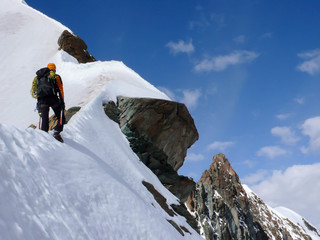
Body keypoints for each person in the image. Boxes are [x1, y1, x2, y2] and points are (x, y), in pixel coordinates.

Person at [31, 63, 66, 142]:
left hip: (42, 100)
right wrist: (62, 101)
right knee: (61, 117)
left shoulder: (38, 78)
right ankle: (57, 132)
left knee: (45, 119)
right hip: (53, 99)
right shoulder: (56, 77)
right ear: (54, 69)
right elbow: (60, 90)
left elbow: (36, 91)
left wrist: (39, 103)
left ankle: (44, 135)